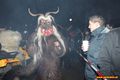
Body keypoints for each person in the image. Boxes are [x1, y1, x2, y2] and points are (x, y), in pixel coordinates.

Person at [81, 15, 110, 80]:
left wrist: (99, 77)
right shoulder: (95, 36)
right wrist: (86, 50)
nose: (88, 26)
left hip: (96, 76)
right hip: (90, 73)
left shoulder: (105, 36)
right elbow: (93, 54)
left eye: (90, 24)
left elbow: (106, 60)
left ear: (97, 24)